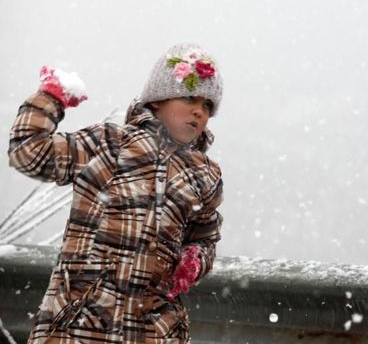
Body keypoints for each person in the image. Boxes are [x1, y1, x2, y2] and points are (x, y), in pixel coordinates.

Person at [8, 43, 224, 343]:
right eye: (189, 97)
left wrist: (196, 258)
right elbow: (29, 153)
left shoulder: (204, 174)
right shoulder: (107, 144)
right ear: (157, 100)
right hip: (78, 325)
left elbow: (204, 236)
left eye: (208, 105)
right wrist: (49, 99)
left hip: (153, 330)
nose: (199, 111)